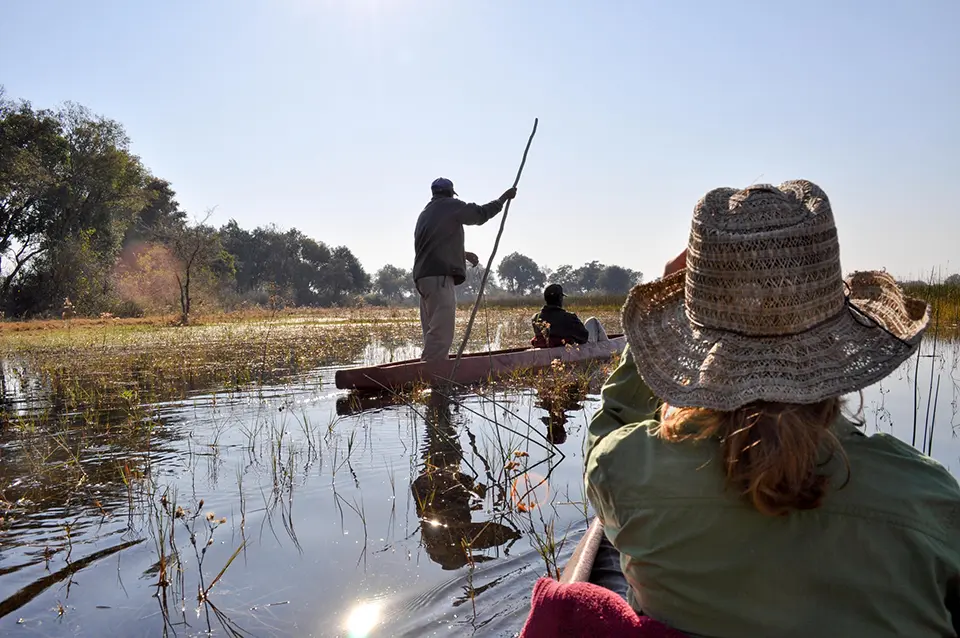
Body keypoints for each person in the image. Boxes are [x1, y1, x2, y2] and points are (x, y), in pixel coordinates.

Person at [585, 180, 959, 637]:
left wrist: (648, 346)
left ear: (694, 340)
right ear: (840, 344)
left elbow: (604, 439)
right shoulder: (931, 499)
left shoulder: (623, 471)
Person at [413, 177, 517, 362]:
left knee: (432, 328)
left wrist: (463, 254)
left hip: (423, 279)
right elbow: (479, 214)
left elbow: (434, 245)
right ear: (449, 193)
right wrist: (502, 199)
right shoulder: (451, 205)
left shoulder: (426, 213)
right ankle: (431, 372)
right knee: (441, 331)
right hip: (439, 277)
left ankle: (427, 368)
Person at [531, 283, 608, 347]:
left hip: (550, 349)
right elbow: (584, 338)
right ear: (560, 298)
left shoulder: (535, 318)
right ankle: (608, 348)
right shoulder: (569, 317)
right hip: (570, 351)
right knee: (592, 321)